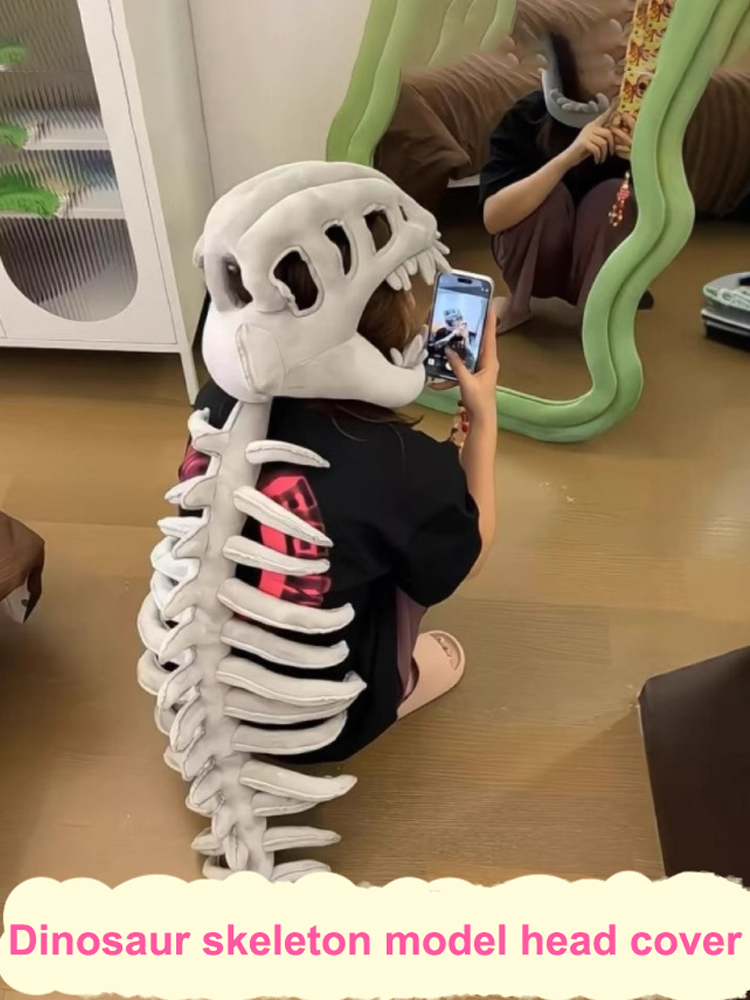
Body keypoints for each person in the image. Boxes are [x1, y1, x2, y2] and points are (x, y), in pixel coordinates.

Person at [179, 219, 499, 763]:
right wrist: (484, 419)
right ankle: (398, 682)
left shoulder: (216, 397)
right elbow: (469, 554)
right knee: (423, 543)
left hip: (196, 682)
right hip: (320, 722)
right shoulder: (401, 464)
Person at [480, 32, 647, 333]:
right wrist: (568, 157)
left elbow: (661, 220)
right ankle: (518, 305)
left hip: (599, 260)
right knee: (548, 195)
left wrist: (645, 157)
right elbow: (493, 218)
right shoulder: (526, 117)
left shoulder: (636, 123)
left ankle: (597, 314)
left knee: (616, 194)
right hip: (537, 259)